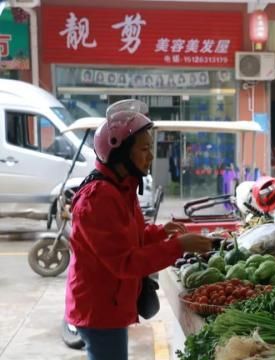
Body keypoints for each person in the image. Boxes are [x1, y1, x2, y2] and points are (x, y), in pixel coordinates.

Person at [65, 99, 213, 360]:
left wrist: (160, 232)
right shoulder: (99, 198)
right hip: (98, 309)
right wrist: (178, 246)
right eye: (144, 149)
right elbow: (125, 261)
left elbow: (126, 237)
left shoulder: (121, 186)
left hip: (111, 304)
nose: (151, 156)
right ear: (120, 152)